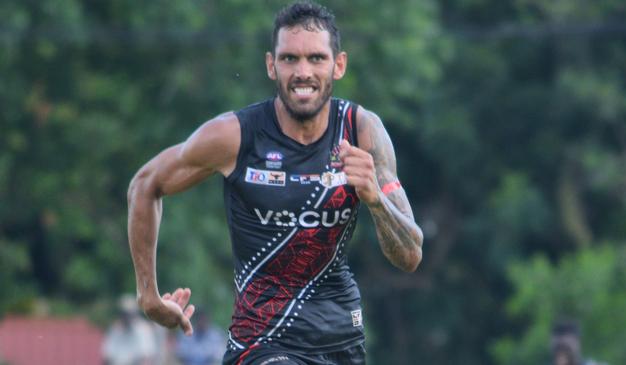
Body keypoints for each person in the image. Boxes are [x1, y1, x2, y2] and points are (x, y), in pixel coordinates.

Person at [127, 2, 423, 364]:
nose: (303, 72)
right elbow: (145, 184)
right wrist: (148, 297)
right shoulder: (236, 136)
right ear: (271, 65)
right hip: (261, 343)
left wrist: (375, 199)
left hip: (342, 338)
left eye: (316, 58)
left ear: (338, 65)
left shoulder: (362, 130)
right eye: (289, 59)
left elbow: (410, 255)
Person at [102, 295, 156, 365]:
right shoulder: (115, 330)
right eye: (124, 314)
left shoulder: (143, 329)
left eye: (129, 314)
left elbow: (146, 357)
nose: (127, 317)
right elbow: (107, 355)